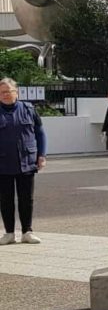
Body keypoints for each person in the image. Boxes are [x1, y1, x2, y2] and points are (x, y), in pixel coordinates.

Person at [0, 78, 46, 245]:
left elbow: (40, 133)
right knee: (5, 200)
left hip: (26, 161)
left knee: (26, 199)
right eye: (2, 92)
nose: (5, 95)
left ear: (16, 93)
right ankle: (9, 233)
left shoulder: (28, 109)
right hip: (3, 164)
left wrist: (42, 155)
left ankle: (27, 231)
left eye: (8, 91)